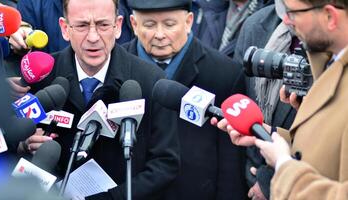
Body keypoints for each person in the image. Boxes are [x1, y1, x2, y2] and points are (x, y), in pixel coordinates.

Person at [8, 0, 180, 199]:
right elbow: (4, 142)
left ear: (118, 26)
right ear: (65, 28)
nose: (93, 37)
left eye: (103, 25)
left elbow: (165, 163)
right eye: (81, 25)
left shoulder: (151, 80)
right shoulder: (41, 77)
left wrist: (111, 198)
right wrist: (23, 144)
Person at [214, 0, 348, 199]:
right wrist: (271, 135)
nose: (285, 20)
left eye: (293, 13)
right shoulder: (331, 61)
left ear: (330, 16)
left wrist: (283, 165)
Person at [123, 0, 248, 199]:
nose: (160, 34)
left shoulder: (225, 74)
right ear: (134, 24)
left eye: (170, 24)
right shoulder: (117, 69)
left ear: (189, 21)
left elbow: (230, 168)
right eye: (149, 25)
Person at [233, 0, 298, 199]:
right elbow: (241, 97)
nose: (288, 18)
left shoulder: (331, 41)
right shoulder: (256, 24)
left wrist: (271, 181)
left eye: (296, 13)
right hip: (251, 177)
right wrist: (257, 179)